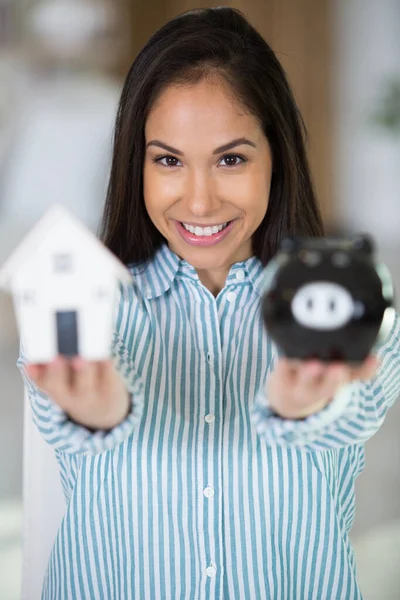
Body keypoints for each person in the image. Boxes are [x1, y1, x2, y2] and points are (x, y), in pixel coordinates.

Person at [18, 7, 400, 600]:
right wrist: (101, 414)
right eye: (168, 160)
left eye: (231, 158)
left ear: (277, 159)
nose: (198, 201)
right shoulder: (86, 297)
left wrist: (302, 409)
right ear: (136, 162)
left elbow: (354, 412)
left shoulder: (347, 305)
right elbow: (58, 421)